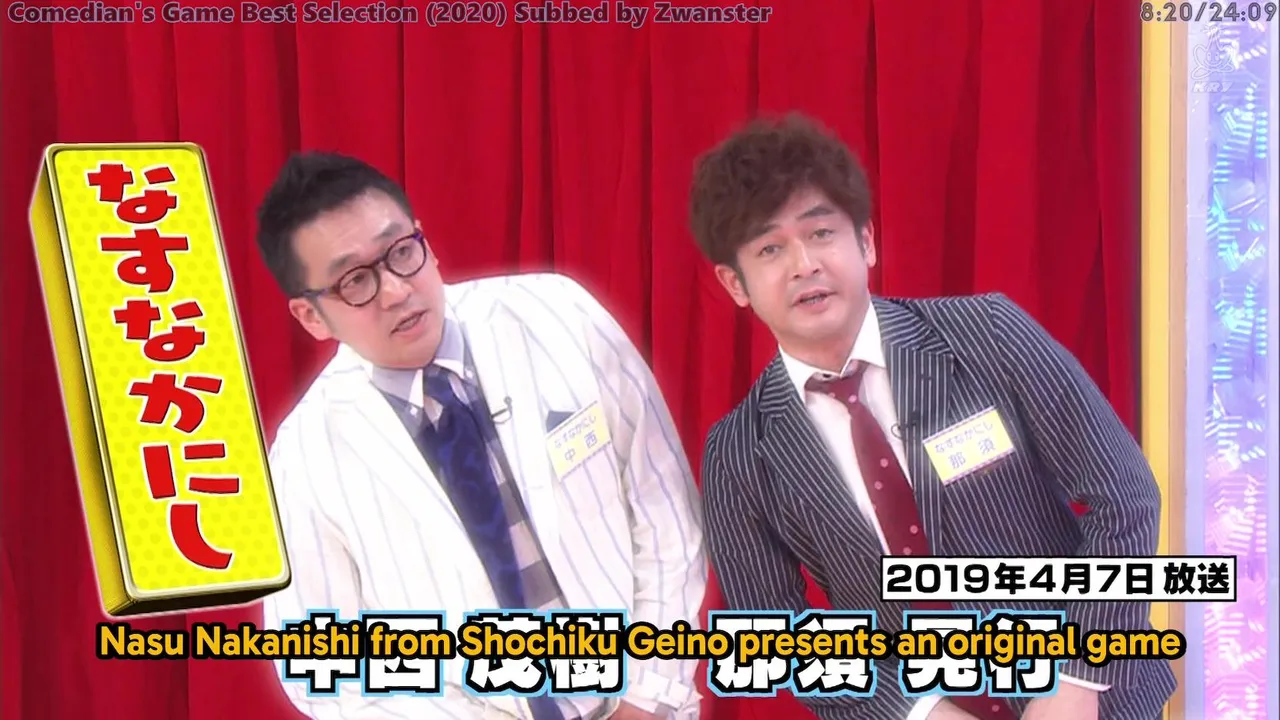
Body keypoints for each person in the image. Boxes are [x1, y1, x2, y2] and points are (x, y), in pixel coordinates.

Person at [689, 114, 1176, 720]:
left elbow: (1123, 495)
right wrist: (919, 713)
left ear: (866, 242)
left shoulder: (988, 333)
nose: (804, 264)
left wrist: (1078, 677)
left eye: (821, 233)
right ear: (735, 283)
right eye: (770, 248)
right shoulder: (739, 451)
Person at [255, 152, 707, 720]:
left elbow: (664, 505)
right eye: (356, 281)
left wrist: (649, 694)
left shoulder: (559, 314)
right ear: (311, 316)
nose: (396, 290)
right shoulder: (304, 454)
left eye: (401, 252)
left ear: (425, 242)